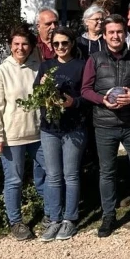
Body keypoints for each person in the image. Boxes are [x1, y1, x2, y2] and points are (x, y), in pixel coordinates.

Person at [80, 14, 130, 237]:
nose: (115, 36)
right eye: (111, 32)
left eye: (119, 32)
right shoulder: (95, 59)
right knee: (107, 172)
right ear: (104, 35)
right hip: (105, 124)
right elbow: (85, 90)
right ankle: (109, 216)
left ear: (125, 34)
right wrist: (102, 99)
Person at [0, 25, 45, 240]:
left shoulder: (38, 68)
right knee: (14, 181)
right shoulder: (0, 73)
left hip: (39, 134)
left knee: (46, 175)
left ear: (31, 47)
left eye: (25, 44)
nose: (20, 48)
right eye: (16, 44)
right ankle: (16, 222)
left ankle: (51, 214)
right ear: (10, 46)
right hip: (13, 137)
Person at [36, 27, 88, 242]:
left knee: (71, 174)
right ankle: (55, 218)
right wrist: (41, 87)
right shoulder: (46, 66)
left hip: (74, 127)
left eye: (64, 43)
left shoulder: (82, 66)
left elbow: (88, 95)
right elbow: (36, 95)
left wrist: (73, 102)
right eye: (56, 44)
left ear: (72, 44)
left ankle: (70, 219)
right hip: (50, 128)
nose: (60, 48)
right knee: (53, 175)